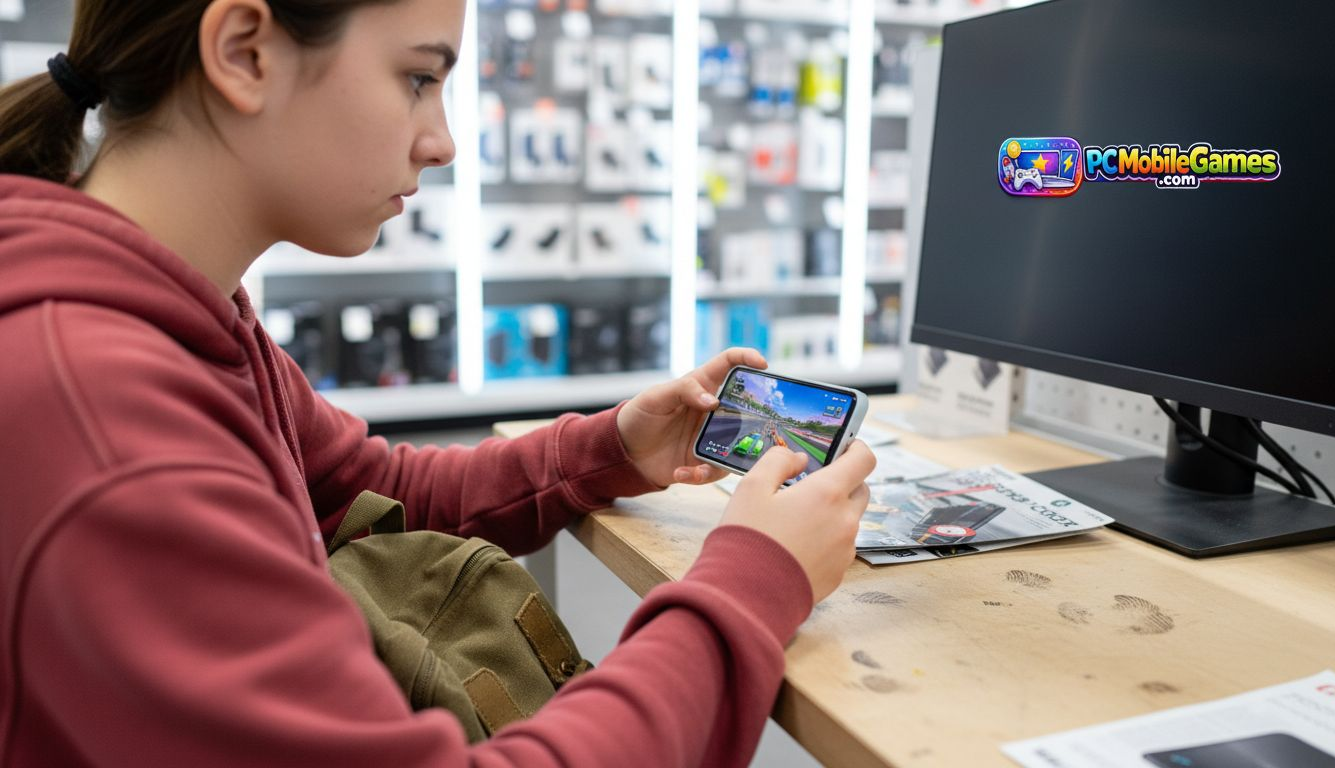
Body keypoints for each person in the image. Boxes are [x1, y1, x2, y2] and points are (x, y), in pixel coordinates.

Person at [0, 0, 876, 765]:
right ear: (244, 52)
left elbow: (365, 491)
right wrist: (753, 583)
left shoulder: (185, 313)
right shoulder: (110, 429)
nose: (444, 141)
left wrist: (612, 447)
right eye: (419, 77)